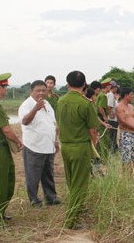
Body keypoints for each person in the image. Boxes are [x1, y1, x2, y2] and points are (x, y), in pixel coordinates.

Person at [56, 71, 99, 229]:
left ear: (68, 84)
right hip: (80, 147)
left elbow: (59, 125)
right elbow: (93, 130)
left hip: (65, 146)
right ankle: (71, 221)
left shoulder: (60, 101)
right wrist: (93, 145)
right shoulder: (85, 103)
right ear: (84, 84)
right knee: (80, 184)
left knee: (71, 181)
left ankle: (77, 209)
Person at [0, 73, 23, 227]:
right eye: (5, 87)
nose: (6, 90)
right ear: (0, 87)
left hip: (0, 149)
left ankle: (0, 212)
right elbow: (6, 130)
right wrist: (18, 141)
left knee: (7, 181)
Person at [18, 80, 61, 207]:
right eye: (38, 91)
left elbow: (52, 124)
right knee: (33, 174)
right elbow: (25, 121)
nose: (41, 93)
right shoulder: (26, 105)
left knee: (48, 173)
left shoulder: (47, 103)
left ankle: (51, 197)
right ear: (31, 91)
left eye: (43, 90)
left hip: (48, 145)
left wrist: (55, 140)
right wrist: (35, 109)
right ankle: (34, 199)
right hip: (34, 145)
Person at [95, 78, 112, 159]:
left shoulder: (100, 94)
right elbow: (100, 107)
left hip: (99, 119)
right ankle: (104, 158)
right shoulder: (103, 96)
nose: (110, 88)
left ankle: (99, 156)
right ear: (106, 86)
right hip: (101, 118)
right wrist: (105, 117)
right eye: (109, 86)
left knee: (100, 138)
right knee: (104, 138)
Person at [107, 81, 119, 153]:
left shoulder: (109, 94)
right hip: (113, 119)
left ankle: (114, 148)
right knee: (113, 135)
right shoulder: (111, 95)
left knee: (112, 135)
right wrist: (110, 114)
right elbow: (109, 106)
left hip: (112, 119)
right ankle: (113, 150)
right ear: (113, 87)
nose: (117, 89)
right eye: (116, 87)